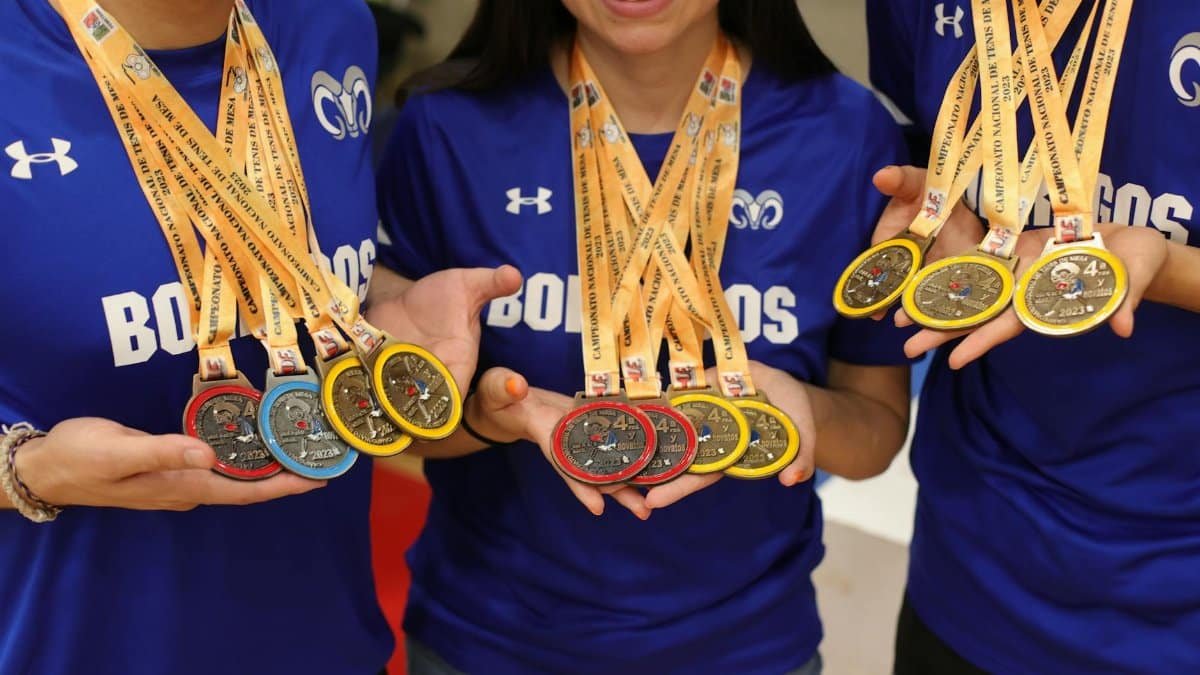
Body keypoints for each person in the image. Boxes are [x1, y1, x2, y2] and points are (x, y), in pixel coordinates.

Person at [375, 1, 915, 672]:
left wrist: (803, 412)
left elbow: (876, 429)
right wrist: (485, 415)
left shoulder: (846, 136)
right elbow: (395, 422)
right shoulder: (446, 127)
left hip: (747, 648)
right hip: (486, 640)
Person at [0, 1, 516, 672]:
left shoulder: (331, 24)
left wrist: (381, 306)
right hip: (70, 644)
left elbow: (294, 263)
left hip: (327, 639)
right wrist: (29, 471)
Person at [865, 1, 1200, 672]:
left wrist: (1172, 271)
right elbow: (927, 141)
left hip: (1175, 584)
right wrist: (934, 211)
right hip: (972, 554)